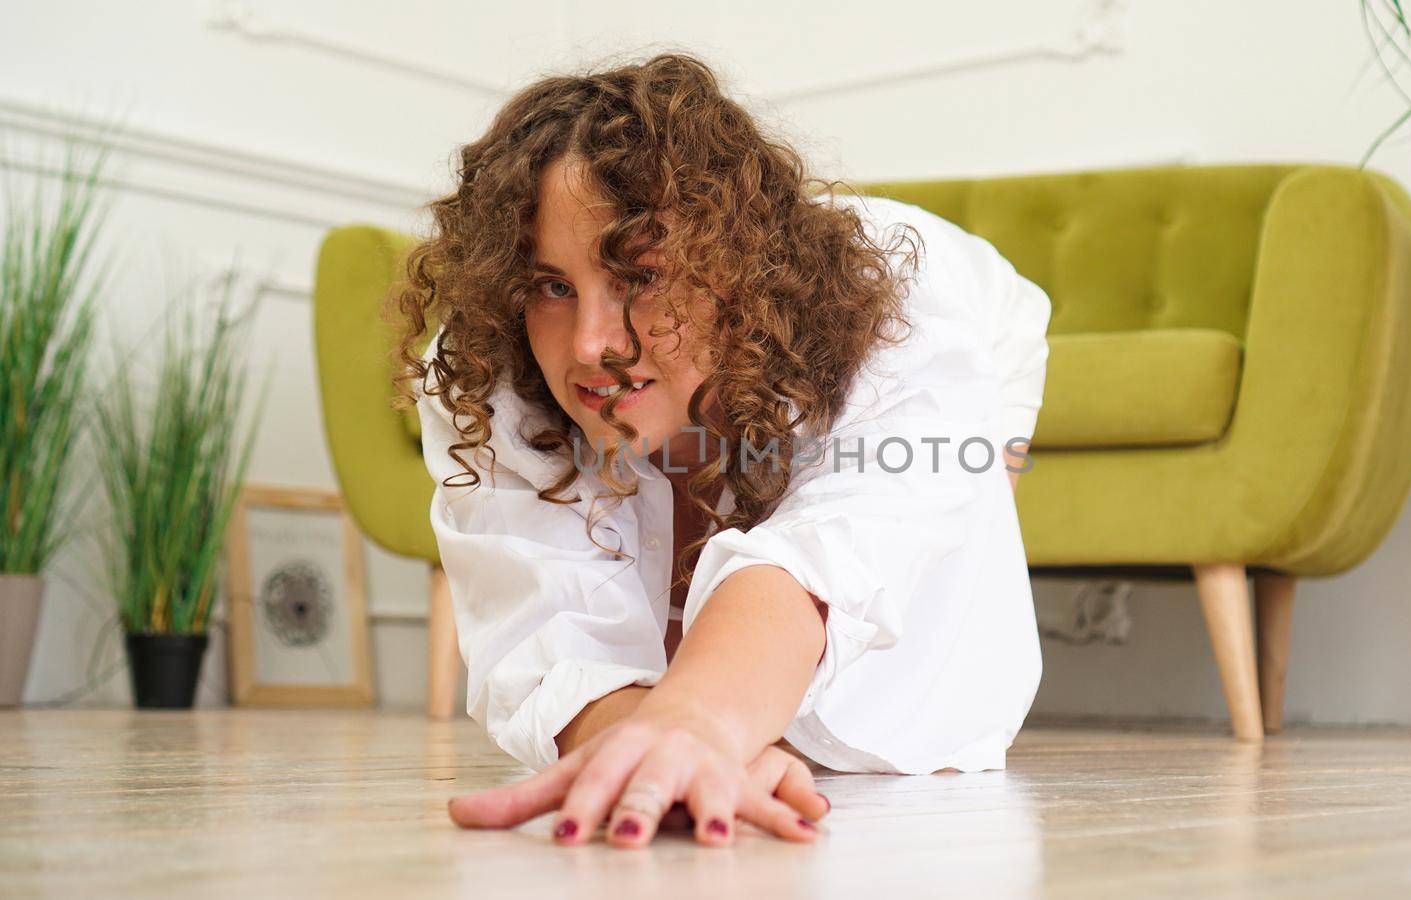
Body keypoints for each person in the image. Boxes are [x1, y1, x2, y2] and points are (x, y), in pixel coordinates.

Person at [388, 51, 1050, 850]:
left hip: (988, 330)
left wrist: (700, 716)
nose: (593, 343)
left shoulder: (908, 317)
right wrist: (672, 738)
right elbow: (542, 615)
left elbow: (829, 553)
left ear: (730, 270)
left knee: (906, 587)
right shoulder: (489, 359)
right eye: (552, 286)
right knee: (690, 672)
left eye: (639, 275)